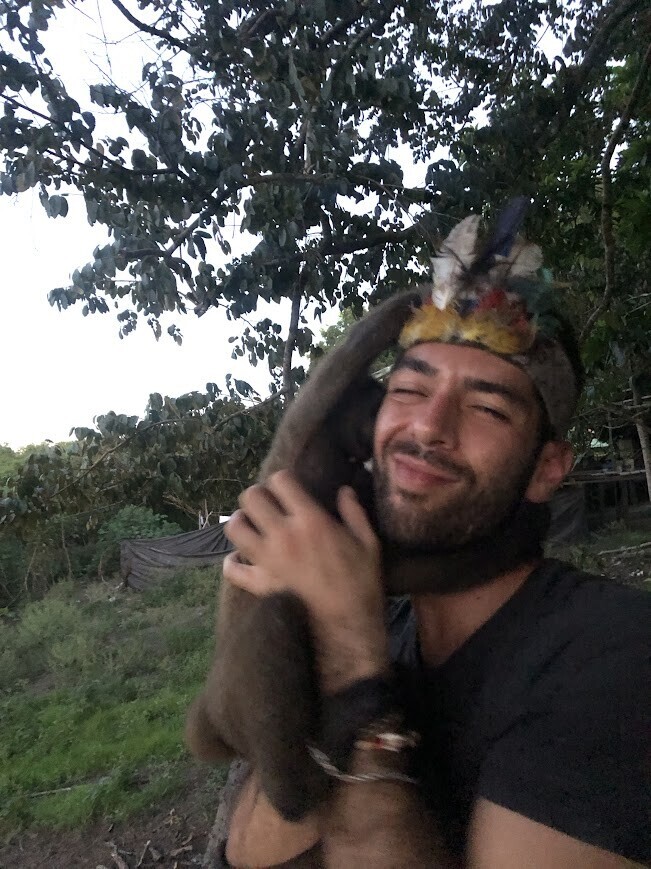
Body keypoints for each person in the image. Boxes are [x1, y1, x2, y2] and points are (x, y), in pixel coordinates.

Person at [220, 211, 651, 868]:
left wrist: (350, 666)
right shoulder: (375, 614)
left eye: (484, 407)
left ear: (546, 468)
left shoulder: (613, 656)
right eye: (409, 389)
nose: (427, 425)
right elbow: (248, 852)